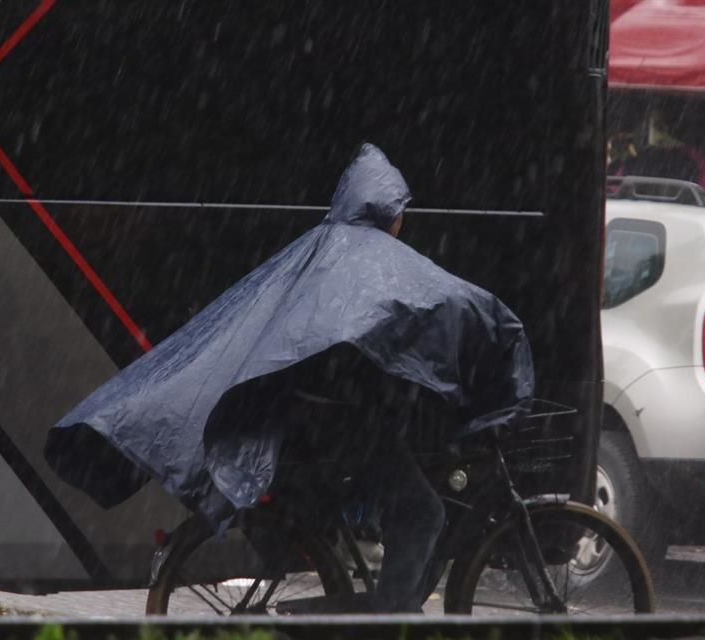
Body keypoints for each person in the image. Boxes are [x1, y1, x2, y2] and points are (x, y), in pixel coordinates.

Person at [45, 143, 534, 613]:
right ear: (390, 210)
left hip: (313, 421)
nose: (402, 223)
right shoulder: (370, 259)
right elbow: (446, 299)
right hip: (341, 428)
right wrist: (496, 333)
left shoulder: (320, 250)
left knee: (401, 494)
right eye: (402, 212)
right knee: (423, 513)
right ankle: (390, 621)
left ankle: (382, 603)